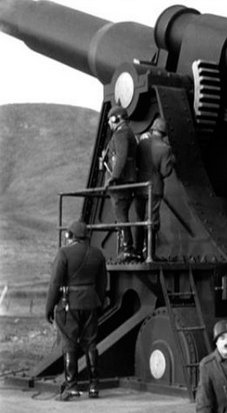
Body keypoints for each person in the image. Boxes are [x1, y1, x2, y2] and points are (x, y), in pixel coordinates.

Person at [45, 220, 107, 401]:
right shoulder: (98, 254)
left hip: (69, 305)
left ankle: (72, 387)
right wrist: (98, 302)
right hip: (91, 303)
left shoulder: (64, 253)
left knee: (69, 343)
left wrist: (49, 307)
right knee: (91, 344)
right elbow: (102, 284)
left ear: (70, 235)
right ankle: (94, 386)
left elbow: (55, 283)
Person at [133, 117, 175, 260]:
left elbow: (136, 163)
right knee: (152, 219)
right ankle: (150, 254)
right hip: (155, 187)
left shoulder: (142, 144)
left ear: (153, 129)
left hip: (139, 186)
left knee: (139, 218)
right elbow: (165, 172)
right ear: (164, 133)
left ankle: (137, 251)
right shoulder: (165, 149)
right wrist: (172, 161)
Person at [104, 105, 138, 262]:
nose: (109, 124)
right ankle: (128, 248)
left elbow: (121, 156)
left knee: (121, 215)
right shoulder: (127, 132)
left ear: (115, 118)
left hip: (121, 182)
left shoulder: (121, 133)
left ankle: (127, 249)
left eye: (110, 120)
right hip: (127, 180)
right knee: (122, 215)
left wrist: (114, 177)